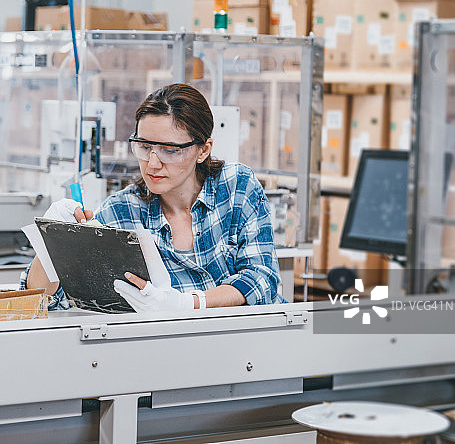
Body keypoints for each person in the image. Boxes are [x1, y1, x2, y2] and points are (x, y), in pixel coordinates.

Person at [22, 83, 285, 311]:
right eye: (145, 147)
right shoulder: (122, 212)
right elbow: (44, 301)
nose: (153, 163)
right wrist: (50, 241)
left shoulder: (236, 186)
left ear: (203, 150)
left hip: (248, 345)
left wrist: (188, 303)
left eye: (170, 150)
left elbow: (262, 279)